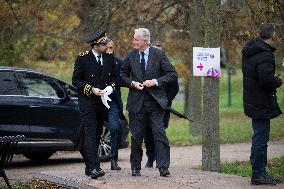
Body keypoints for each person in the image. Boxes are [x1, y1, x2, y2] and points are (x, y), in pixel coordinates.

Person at [121, 28, 178, 177]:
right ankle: (135, 167)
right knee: (136, 137)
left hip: (155, 104)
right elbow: (121, 75)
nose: (134, 41)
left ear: (145, 41)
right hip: (136, 104)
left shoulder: (158, 54)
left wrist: (155, 81)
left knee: (160, 135)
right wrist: (132, 83)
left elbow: (172, 74)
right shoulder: (130, 55)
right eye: (134, 39)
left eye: (136, 39)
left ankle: (163, 167)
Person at [72, 31, 117, 179]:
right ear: (96, 45)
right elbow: (76, 80)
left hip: (102, 103)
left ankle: (88, 166)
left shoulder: (109, 58)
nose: (106, 46)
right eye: (103, 44)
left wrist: (110, 87)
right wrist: (90, 89)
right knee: (91, 133)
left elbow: (115, 78)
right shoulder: (83, 58)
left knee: (97, 134)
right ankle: (94, 167)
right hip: (88, 102)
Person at [242, 23, 282, 185]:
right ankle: (259, 174)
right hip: (261, 101)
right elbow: (265, 80)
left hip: (252, 99)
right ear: (272, 35)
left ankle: (258, 172)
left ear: (258, 33)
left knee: (258, 137)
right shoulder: (265, 54)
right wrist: (278, 81)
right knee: (260, 139)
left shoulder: (249, 50)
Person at [144, 42, 179, 168]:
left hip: (163, 107)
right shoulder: (146, 67)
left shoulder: (169, 68)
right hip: (147, 105)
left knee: (159, 133)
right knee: (148, 134)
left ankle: (161, 161)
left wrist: (164, 100)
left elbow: (174, 89)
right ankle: (150, 157)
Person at [106, 39, 124, 170]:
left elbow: (122, 79)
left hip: (113, 101)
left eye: (111, 48)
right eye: (107, 48)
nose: (109, 51)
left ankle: (113, 159)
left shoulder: (118, 63)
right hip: (97, 100)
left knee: (114, 128)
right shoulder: (95, 61)